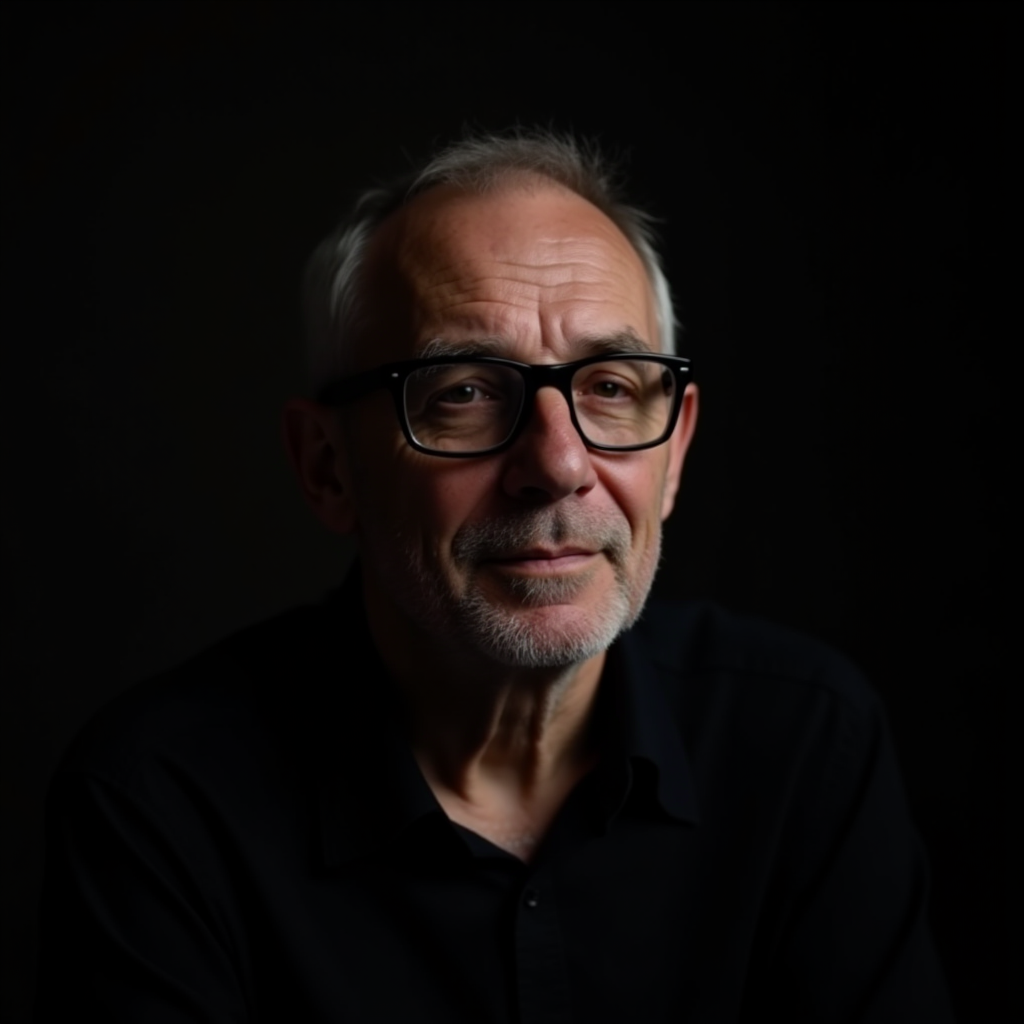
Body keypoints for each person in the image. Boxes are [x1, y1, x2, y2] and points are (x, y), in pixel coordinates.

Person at [34, 130, 955, 1023]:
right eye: (465, 393)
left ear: (674, 452)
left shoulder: (804, 742)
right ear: (328, 467)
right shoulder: (160, 800)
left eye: (609, 385)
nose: (557, 465)